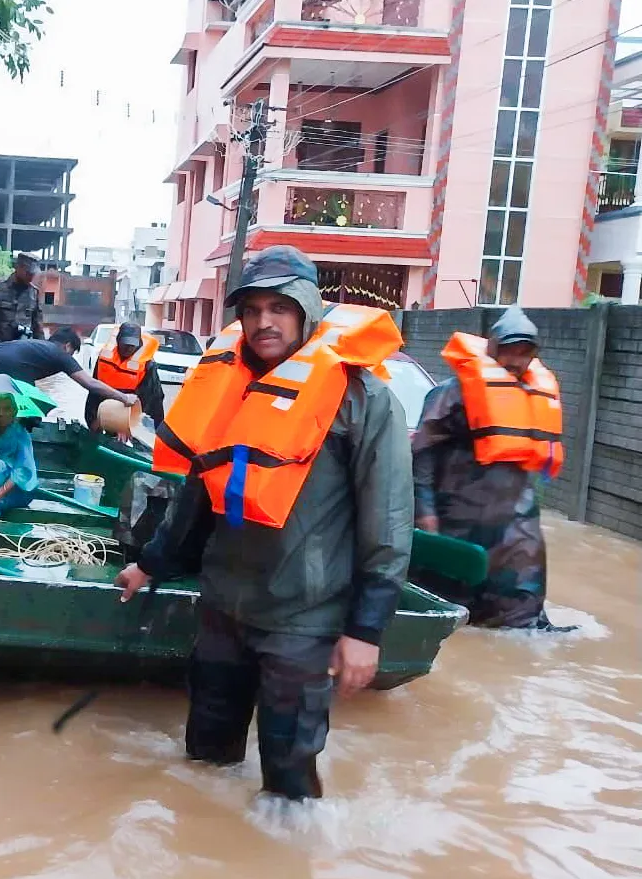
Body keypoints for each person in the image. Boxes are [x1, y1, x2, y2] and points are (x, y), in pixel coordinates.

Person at [114, 245, 413, 801]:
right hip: (224, 606)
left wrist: (365, 632)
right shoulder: (227, 383)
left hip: (303, 617)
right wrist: (150, 564)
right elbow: (198, 498)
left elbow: (389, 524)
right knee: (204, 762)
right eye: (251, 310)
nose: (262, 322)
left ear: (307, 310)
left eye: (279, 307)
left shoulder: (363, 400)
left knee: (289, 784)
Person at [411, 306, 568, 631]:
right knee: (446, 614)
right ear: (493, 348)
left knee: (523, 622)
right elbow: (422, 453)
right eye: (509, 350)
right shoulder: (450, 394)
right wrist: (425, 511)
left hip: (518, 530)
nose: (515, 360)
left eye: (524, 352)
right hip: (458, 523)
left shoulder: (535, 395)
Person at [0, 327, 139, 411]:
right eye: (72, 353)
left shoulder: (37, 347)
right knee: (31, 412)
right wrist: (123, 397)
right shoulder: (59, 353)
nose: (70, 358)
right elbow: (89, 383)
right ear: (67, 346)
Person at [83, 321, 166, 430]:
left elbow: (153, 401)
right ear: (118, 341)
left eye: (132, 345)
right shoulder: (105, 357)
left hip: (130, 414)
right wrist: (93, 419)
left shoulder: (147, 365)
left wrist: (128, 426)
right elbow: (94, 390)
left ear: (139, 343)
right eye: (125, 344)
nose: (128, 348)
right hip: (104, 410)